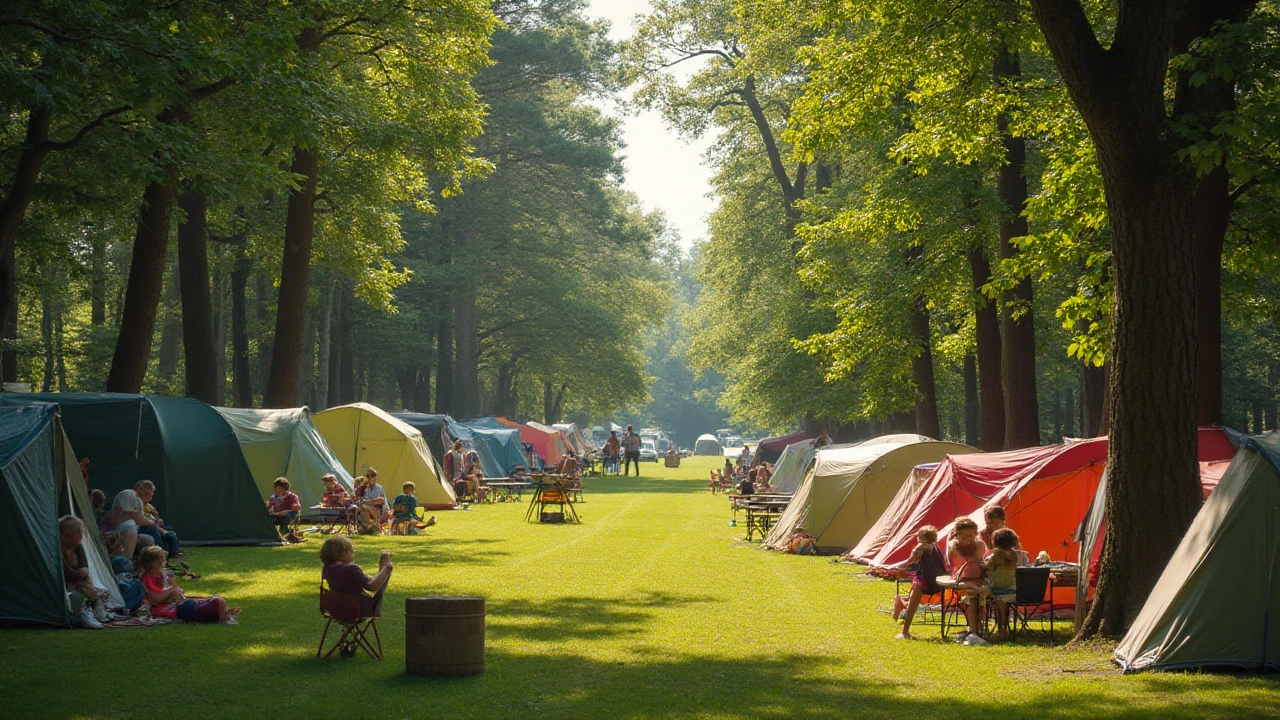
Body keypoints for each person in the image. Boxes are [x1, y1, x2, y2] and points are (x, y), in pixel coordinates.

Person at [139, 546, 236, 623]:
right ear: (152, 563)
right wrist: (172, 591)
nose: (164, 563)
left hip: (177, 605)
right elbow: (155, 600)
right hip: (172, 609)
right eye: (162, 560)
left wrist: (173, 589)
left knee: (214, 600)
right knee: (217, 601)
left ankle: (220, 612)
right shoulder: (148, 578)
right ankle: (221, 613)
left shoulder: (160, 575)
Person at [320, 535, 392, 616]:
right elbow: (372, 587)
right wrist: (386, 570)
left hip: (334, 609)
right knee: (379, 591)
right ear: (343, 554)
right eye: (351, 550)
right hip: (355, 610)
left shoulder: (327, 569)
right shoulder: (352, 570)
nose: (353, 552)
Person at [895, 525, 946, 639]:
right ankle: (902, 609)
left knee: (912, 607)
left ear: (921, 537)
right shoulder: (936, 547)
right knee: (911, 604)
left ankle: (905, 632)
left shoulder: (924, 545)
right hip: (937, 581)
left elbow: (917, 552)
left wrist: (905, 564)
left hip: (923, 581)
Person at [60, 516, 110, 629]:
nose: (80, 536)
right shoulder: (58, 550)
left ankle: (92, 608)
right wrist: (80, 576)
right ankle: (88, 611)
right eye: (78, 533)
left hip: (79, 582)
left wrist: (82, 576)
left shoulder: (78, 548)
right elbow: (67, 573)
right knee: (83, 587)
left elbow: (84, 567)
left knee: (88, 585)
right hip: (65, 584)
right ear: (66, 535)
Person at [947, 516, 988, 642]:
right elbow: (959, 563)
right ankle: (975, 629)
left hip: (976, 574)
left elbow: (977, 559)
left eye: (970, 536)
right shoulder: (953, 545)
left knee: (975, 569)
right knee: (972, 591)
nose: (967, 539)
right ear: (956, 534)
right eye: (964, 536)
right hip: (961, 574)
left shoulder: (979, 544)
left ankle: (976, 629)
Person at [984, 527, 1021, 641]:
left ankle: (999, 629)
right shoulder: (1016, 555)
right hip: (1013, 589)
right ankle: (1004, 627)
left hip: (998, 588)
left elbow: (986, 567)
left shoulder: (996, 556)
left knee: (980, 594)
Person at [100, 489, 156, 560]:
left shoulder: (130, 524)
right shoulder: (113, 515)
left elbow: (141, 520)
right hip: (114, 539)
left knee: (148, 539)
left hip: (124, 538)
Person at [134, 480, 181, 560]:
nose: (149, 497)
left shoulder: (149, 506)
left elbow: (156, 517)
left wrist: (157, 521)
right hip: (141, 528)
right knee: (154, 530)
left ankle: (173, 556)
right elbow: (140, 520)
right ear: (139, 492)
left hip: (152, 525)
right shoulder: (135, 503)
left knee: (171, 534)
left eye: (151, 494)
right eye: (146, 494)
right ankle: (159, 555)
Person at [266, 477, 303, 543]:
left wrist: (283, 512)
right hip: (277, 515)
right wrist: (269, 509)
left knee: (284, 523)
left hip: (290, 515)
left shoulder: (291, 496)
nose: (276, 490)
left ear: (284, 488)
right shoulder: (273, 497)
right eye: (276, 488)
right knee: (269, 520)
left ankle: (288, 535)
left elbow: (296, 508)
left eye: (279, 488)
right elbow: (270, 507)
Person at [355, 468, 387, 534]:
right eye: (368, 476)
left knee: (365, 506)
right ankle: (369, 528)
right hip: (368, 509)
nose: (370, 478)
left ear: (375, 478)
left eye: (372, 476)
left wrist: (368, 502)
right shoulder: (366, 489)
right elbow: (361, 499)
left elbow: (380, 500)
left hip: (378, 511)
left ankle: (371, 527)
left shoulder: (379, 488)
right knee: (363, 509)